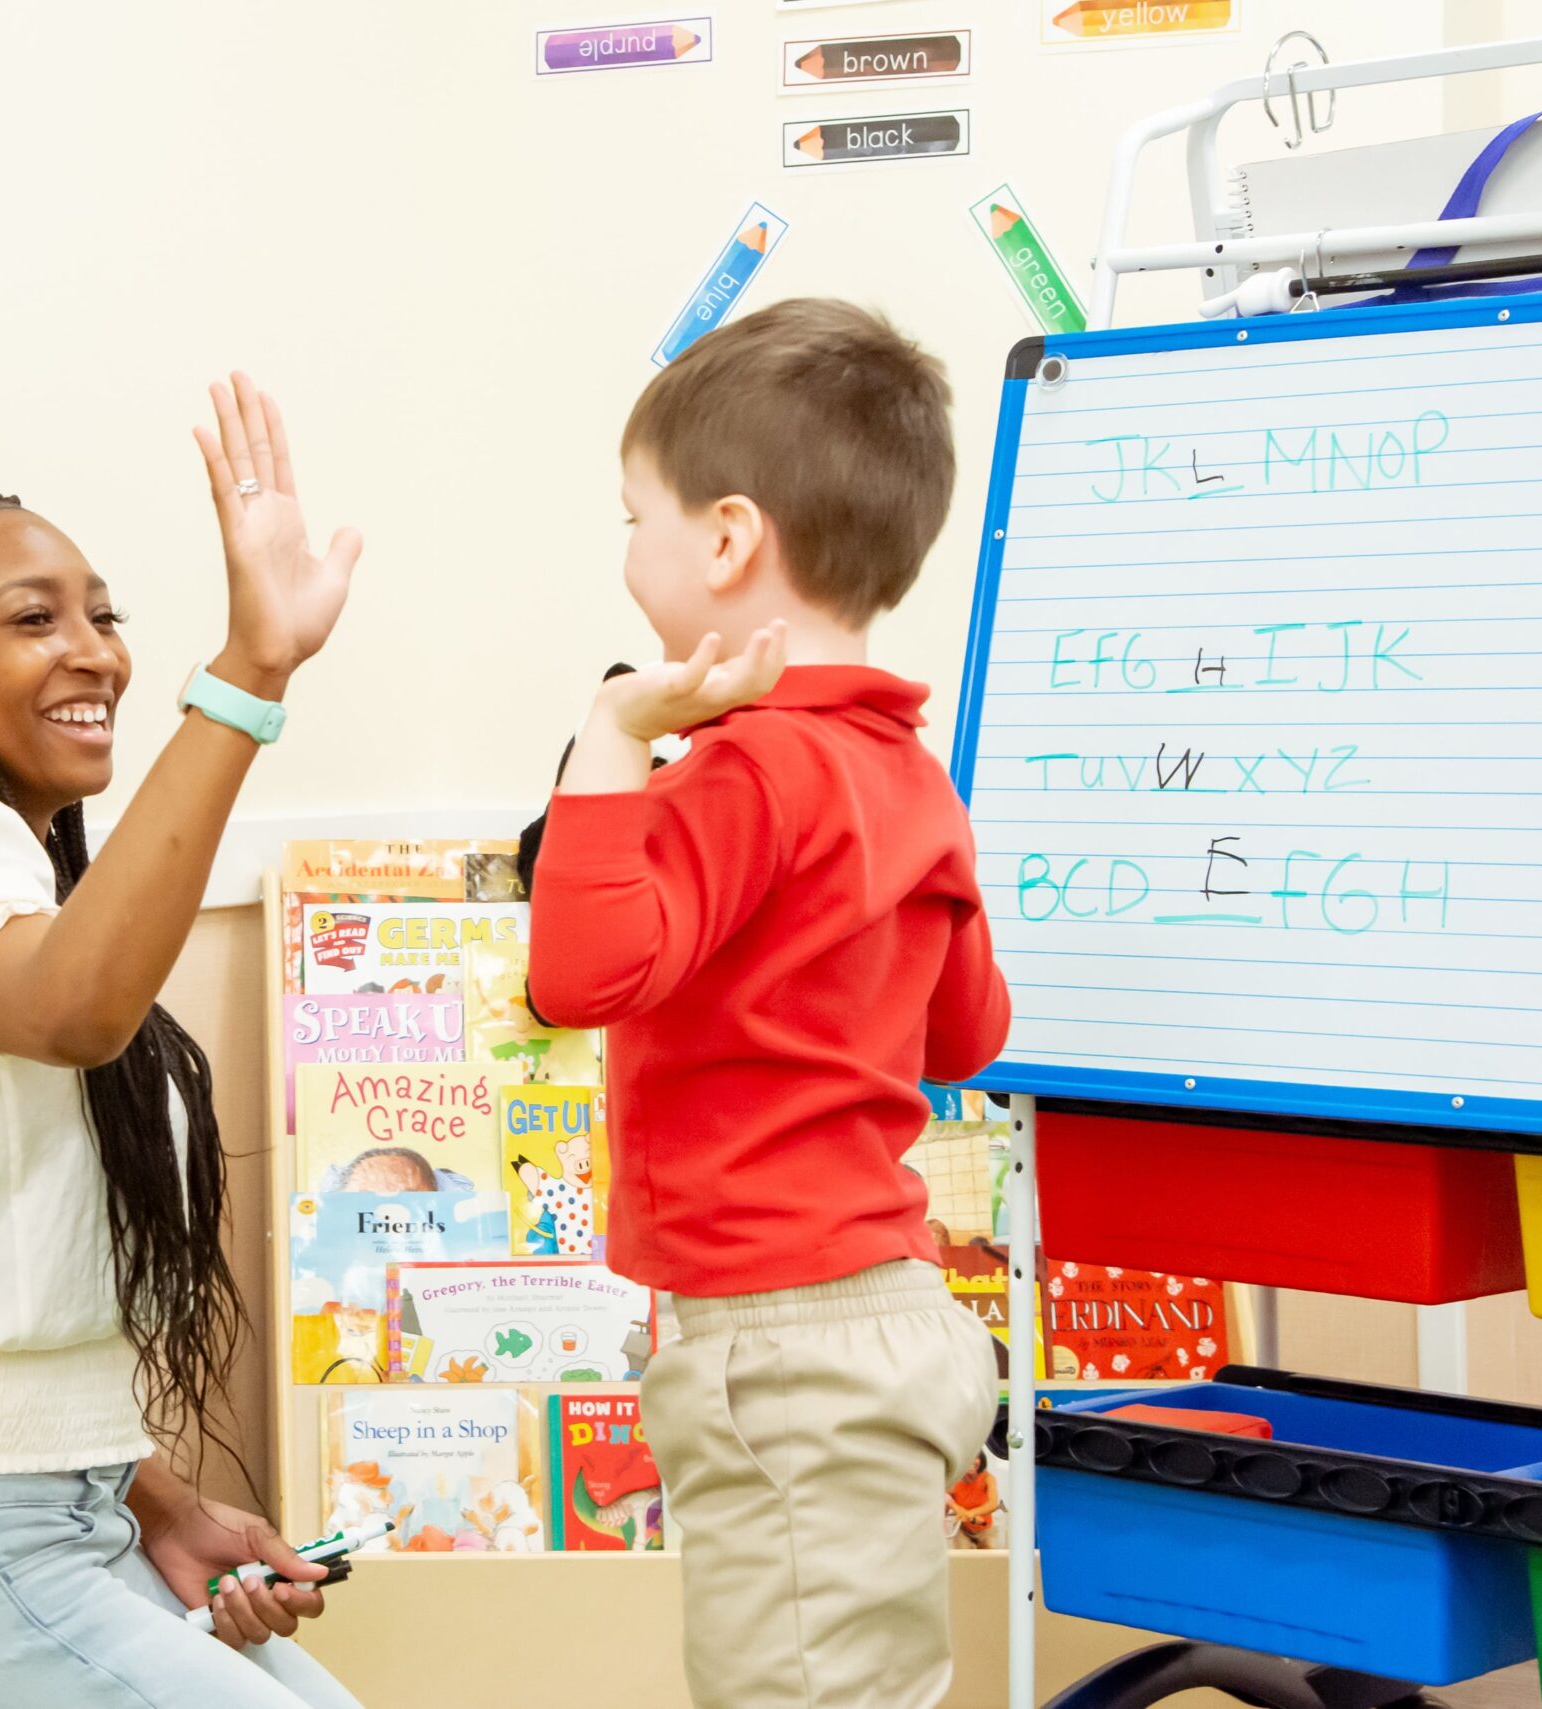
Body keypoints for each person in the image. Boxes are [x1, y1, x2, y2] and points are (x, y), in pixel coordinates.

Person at [0, 376, 366, 1709]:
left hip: (58, 1519)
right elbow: (73, 1008)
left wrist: (156, 1504)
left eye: (103, 613)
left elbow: (8, 1310)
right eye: (33, 618)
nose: (93, 650)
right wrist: (250, 672)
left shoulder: (24, 882)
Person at [527, 298, 1012, 1709]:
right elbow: (966, 1037)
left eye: (635, 518)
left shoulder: (739, 773)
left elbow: (578, 974)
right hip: (888, 1316)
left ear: (728, 539)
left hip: (785, 1351)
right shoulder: (903, 771)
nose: (627, 554)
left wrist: (614, 734)